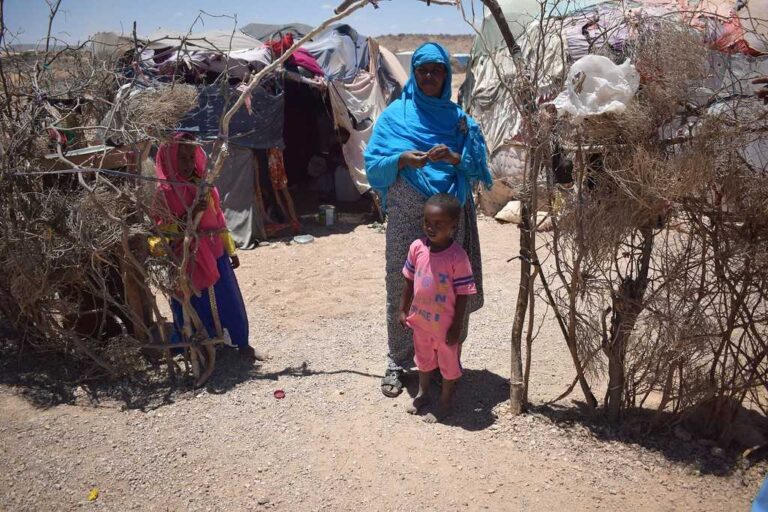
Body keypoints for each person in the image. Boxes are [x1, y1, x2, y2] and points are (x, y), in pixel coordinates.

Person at [365, 42, 493, 397]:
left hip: (451, 215)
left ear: (447, 74)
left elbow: (479, 166)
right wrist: (404, 159)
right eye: (423, 69)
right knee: (403, 282)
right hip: (408, 214)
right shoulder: (394, 117)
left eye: (437, 70)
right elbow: (373, 165)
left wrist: (454, 157)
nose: (429, 76)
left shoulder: (458, 120)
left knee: (450, 286)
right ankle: (399, 360)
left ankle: (444, 359)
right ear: (415, 72)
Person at [152, 132, 262, 361]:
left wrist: (230, 248)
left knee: (228, 299)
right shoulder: (165, 192)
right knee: (193, 303)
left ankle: (241, 343)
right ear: (170, 158)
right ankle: (197, 344)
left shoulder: (203, 182)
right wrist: (190, 213)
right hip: (187, 258)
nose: (188, 163)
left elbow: (218, 216)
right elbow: (162, 229)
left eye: (191, 157)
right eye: (182, 158)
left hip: (215, 250)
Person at [400, 194, 477, 422]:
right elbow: (408, 279)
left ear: (453, 227)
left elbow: (463, 295)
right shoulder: (417, 248)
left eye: (438, 224)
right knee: (423, 358)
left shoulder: (457, 257)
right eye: (427, 222)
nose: (430, 228)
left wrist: (456, 326)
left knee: (447, 362)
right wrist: (403, 309)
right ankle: (423, 393)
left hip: (444, 326)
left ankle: (445, 401)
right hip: (421, 321)